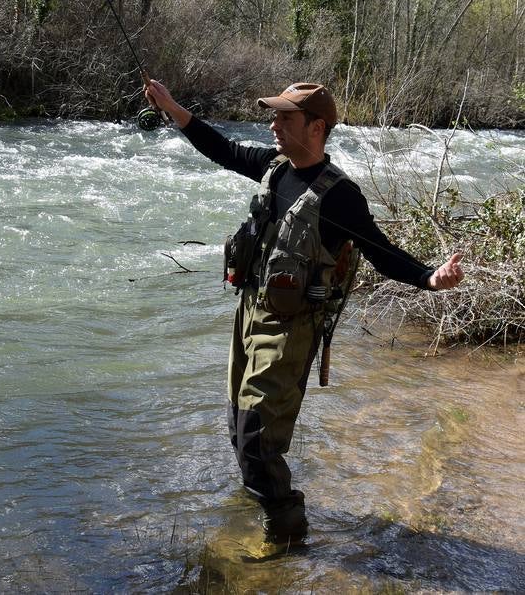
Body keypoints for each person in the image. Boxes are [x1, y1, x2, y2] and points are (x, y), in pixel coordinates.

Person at [143, 79, 464, 545]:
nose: (272, 126)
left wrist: (430, 278)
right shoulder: (275, 168)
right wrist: (172, 107)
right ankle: (264, 500)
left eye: (284, 118)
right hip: (250, 314)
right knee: (238, 425)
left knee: (256, 436)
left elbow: (381, 251)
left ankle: (288, 534)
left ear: (317, 127)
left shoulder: (340, 196)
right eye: (273, 117)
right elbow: (222, 149)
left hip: (290, 332)